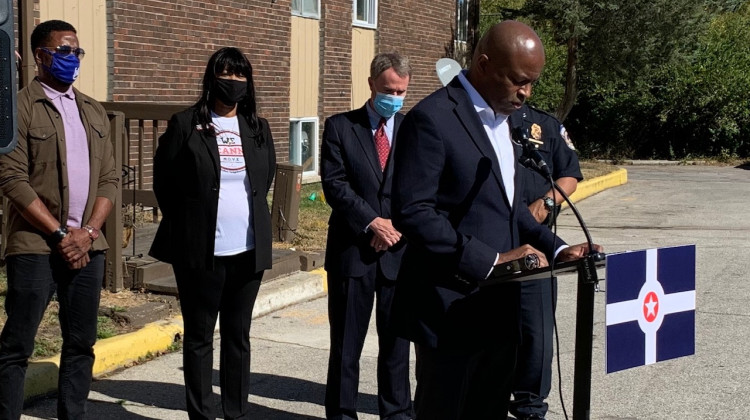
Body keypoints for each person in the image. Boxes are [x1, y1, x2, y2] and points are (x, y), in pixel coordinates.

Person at [390, 20, 602, 419]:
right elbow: (414, 213)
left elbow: (509, 211)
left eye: (532, 83)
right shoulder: (432, 118)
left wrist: (558, 250)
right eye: (518, 80)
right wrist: (489, 260)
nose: (526, 93)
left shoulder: (507, 124)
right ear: (484, 65)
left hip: (500, 308)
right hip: (450, 308)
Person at [149, 46, 276, 420]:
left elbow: (263, 180)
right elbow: (164, 182)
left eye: (240, 76)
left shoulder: (257, 127)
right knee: (201, 337)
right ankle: (201, 415)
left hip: (248, 252)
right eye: (226, 75)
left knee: (238, 338)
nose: (233, 83)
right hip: (201, 253)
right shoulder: (186, 123)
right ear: (211, 79)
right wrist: (191, 223)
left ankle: (235, 413)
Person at [0, 20, 117, 420]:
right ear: (40, 56)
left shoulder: (94, 111)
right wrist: (61, 233)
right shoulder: (19, 109)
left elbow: (110, 179)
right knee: (17, 345)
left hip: (88, 246)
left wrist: (88, 232)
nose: (72, 59)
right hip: (35, 245)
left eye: (76, 52)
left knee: (81, 343)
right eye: (64, 51)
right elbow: (12, 179)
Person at [320, 52, 413, 420]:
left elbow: (421, 189)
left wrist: (393, 229)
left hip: (398, 253)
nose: (395, 97)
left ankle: (397, 413)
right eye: (389, 89)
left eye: (402, 91)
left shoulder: (412, 130)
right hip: (351, 252)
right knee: (345, 346)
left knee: (396, 346)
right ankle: (342, 414)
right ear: (372, 83)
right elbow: (335, 185)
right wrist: (372, 222)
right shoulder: (340, 127)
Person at [508, 104, 583, 420]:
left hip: (538, 244)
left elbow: (570, 173)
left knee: (536, 334)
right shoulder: (478, 119)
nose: (523, 87)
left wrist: (548, 201)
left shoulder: (545, 124)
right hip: (491, 242)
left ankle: (530, 407)